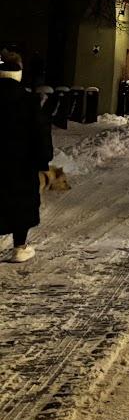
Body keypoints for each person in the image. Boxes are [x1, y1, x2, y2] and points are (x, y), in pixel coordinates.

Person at [0, 49, 53, 262]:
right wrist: (43, 160)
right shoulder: (29, 102)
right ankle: (19, 247)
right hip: (21, 165)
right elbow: (40, 133)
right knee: (19, 203)